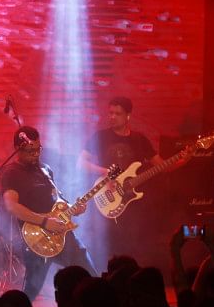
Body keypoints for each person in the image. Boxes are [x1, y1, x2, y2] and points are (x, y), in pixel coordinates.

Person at [79, 96, 189, 262]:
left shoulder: (139, 140)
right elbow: (81, 164)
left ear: (128, 116)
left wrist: (184, 160)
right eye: (110, 113)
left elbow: (163, 167)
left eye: (117, 113)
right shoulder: (100, 136)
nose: (112, 117)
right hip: (107, 198)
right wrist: (106, 173)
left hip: (133, 204)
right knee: (107, 248)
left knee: (134, 248)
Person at [1, 126, 97, 300]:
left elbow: (57, 200)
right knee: (31, 291)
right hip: (36, 238)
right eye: (30, 151)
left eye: (38, 149)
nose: (35, 154)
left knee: (89, 275)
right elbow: (12, 206)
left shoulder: (45, 169)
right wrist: (45, 222)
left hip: (61, 234)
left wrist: (73, 208)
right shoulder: (11, 173)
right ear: (17, 149)